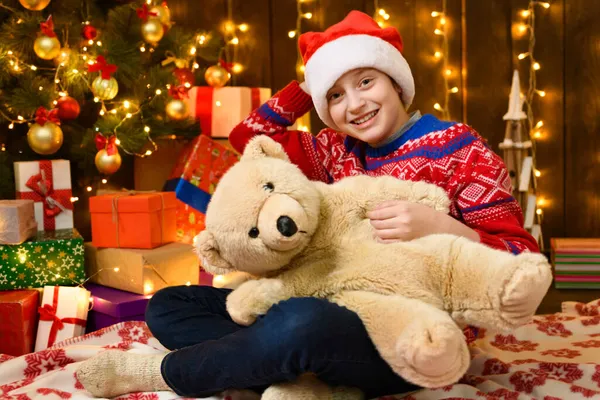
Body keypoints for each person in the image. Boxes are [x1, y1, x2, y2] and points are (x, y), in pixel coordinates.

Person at [76, 10, 539, 400]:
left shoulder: (459, 148)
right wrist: (313, 74)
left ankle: (175, 372)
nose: (354, 104)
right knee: (170, 306)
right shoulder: (332, 150)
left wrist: (443, 226)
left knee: (300, 321)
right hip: (324, 302)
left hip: (409, 336)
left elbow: (522, 262)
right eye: (334, 95)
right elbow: (250, 136)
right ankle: (300, 374)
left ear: (397, 82)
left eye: (366, 81)